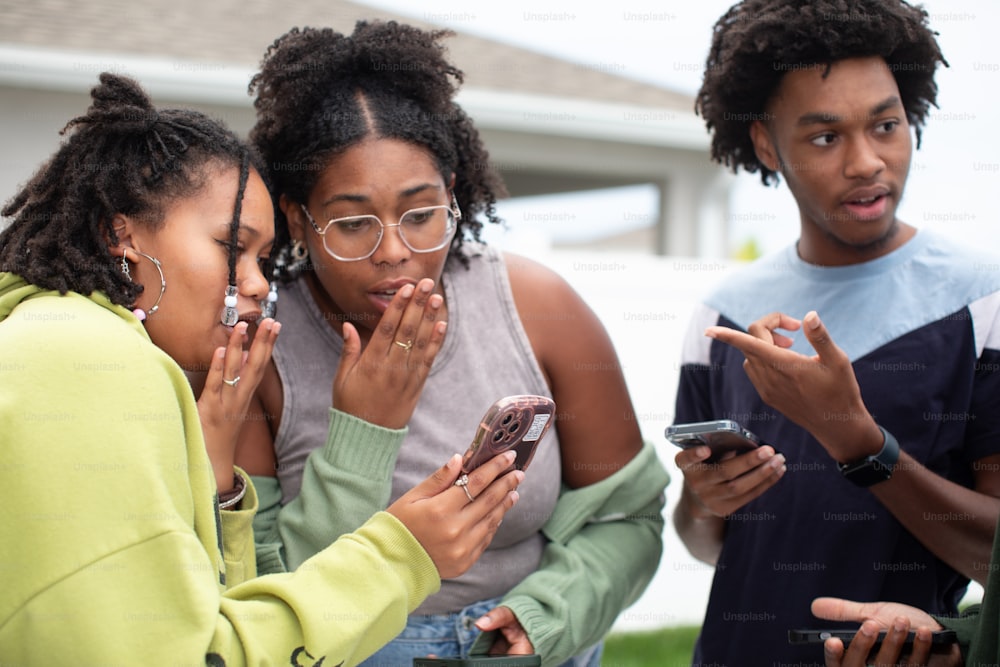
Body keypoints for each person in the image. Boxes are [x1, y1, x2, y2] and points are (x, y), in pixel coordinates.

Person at [0, 72, 524, 665]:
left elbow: (207, 618)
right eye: (231, 248)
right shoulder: (81, 358)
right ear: (120, 233)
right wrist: (403, 555)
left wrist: (216, 476)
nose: (254, 283)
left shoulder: (76, 344)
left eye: (264, 259)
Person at [236, 20, 670, 667]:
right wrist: (364, 429)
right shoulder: (262, 350)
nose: (395, 252)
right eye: (353, 223)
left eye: (420, 213)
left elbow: (627, 520)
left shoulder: (538, 307)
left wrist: (540, 618)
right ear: (299, 218)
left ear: (453, 193)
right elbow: (261, 586)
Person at [671, 1, 1000, 664]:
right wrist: (708, 502)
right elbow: (702, 539)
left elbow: (993, 554)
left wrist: (860, 442)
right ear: (767, 144)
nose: (866, 162)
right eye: (825, 137)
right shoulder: (723, 316)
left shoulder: (982, 303)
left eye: (886, 125)